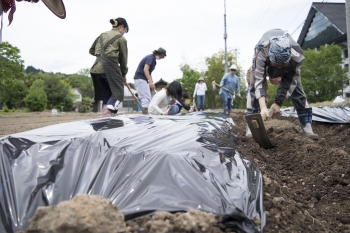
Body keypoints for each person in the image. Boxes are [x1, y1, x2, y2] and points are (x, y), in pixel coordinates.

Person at [248, 29, 318, 139]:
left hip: (288, 66)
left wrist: (278, 102)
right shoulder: (261, 51)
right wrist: (263, 107)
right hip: (265, 62)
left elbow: (290, 81)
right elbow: (259, 80)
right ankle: (251, 126)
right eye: (277, 65)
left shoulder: (298, 56)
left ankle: (306, 126)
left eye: (281, 66)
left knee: (297, 89)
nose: (279, 69)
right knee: (253, 88)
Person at [89, 17, 129, 117]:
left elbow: (91, 50)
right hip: (109, 68)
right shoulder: (121, 38)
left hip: (96, 69)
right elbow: (123, 59)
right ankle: (112, 105)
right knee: (118, 92)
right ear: (121, 27)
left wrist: (102, 56)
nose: (124, 33)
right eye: (125, 30)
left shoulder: (102, 35)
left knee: (106, 96)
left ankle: (106, 118)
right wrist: (123, 73)